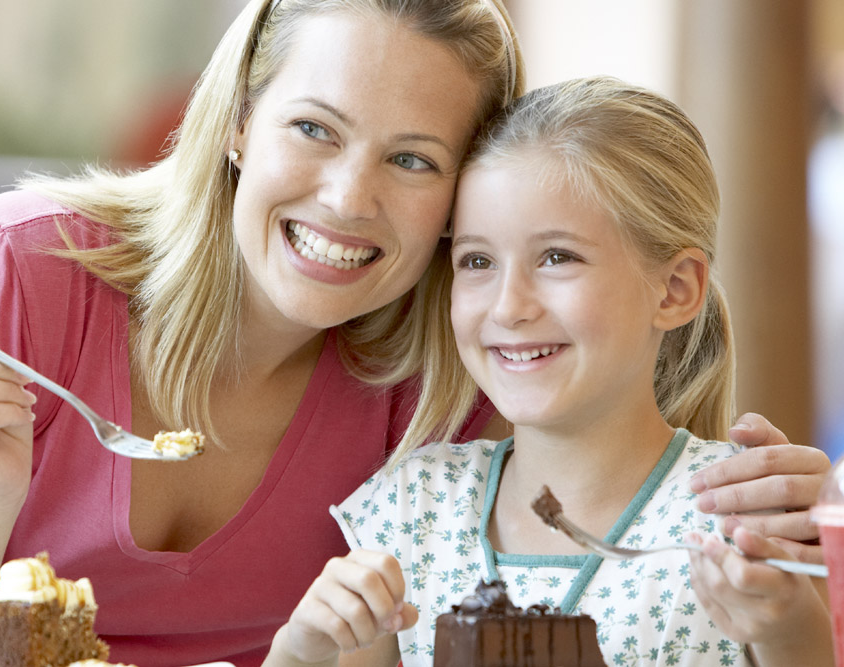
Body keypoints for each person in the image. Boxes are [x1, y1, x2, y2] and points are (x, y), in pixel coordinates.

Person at [0, 0, 825, 664]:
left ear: (457, 198)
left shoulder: (451, 388)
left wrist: (756, 496)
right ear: (238, 119)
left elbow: (618, 487)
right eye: (314, 129)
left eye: (410, 158)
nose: (348, 197)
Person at [266, 77, 832, 667]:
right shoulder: (413, 511)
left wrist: (791, 630)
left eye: (557, 257)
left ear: (674, 289)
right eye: (477, 260)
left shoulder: (749, 520)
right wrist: (299, 653)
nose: (510, 306)